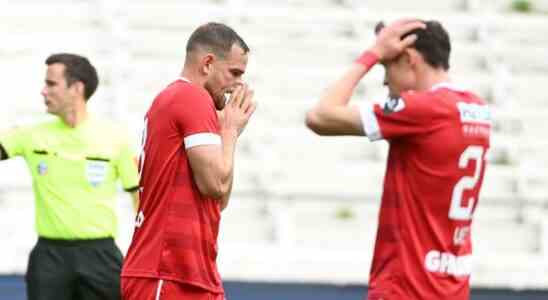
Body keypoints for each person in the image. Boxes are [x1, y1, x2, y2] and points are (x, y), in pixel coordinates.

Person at [305, 19, 491, 300]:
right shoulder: (477, 107)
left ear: (408, 58)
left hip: (407, 286)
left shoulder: (425, 109)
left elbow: (320, 116)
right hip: (451, 287)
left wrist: (372, 53)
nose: (383, 80)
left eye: (386, 66)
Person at [121, 22, 256, 300]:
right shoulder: (190, 97)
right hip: (165, 271)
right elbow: (215, 185)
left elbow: (219, 200)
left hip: (193, 274)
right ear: (207, 63)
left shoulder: (186, 100)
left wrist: (228, 135)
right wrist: (229, 132)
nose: (238, 85)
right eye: (234, 73)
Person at [0, 53, 140, 300]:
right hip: (49, 258)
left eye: (51, 84)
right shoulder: (30, 135)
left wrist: (142, 252)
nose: (44, 91)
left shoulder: (115, 138)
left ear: (77, 88)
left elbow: (139, 197)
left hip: (101, 256)